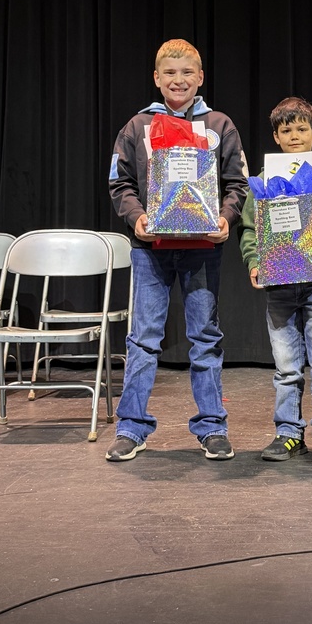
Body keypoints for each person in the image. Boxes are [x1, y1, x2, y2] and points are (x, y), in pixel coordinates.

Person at [106, 38, 248, 463]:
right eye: (170, 73)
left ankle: (212, 427)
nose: (179, 80)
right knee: (143, 338)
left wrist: (226, 217)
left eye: (187, 72)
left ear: (200, 77)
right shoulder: (137, 127)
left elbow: (238, 183)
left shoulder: (219, 125)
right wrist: (137, 219)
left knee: (205, 337)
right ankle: (131, 427)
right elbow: (120, 183)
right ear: (156, 78)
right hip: (150, 249)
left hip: (202, 248)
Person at [238, 96, 312, 464]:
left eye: (302, 130)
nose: (294, 137)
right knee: (286, 367)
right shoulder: (264, 181)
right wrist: (254, 262)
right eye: (286, 130)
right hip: (279, 288)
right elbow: (249, 228)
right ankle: (288, 433)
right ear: (276, 136)